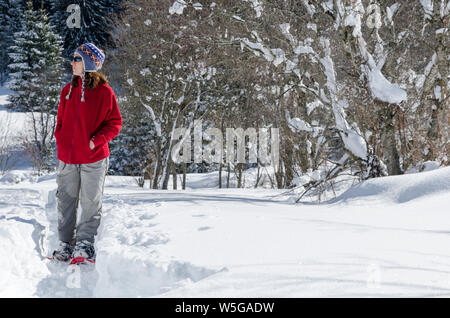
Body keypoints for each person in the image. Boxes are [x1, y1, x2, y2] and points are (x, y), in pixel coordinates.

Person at [52, 43, 122, 262]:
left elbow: (115, 123)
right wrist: (61, 141)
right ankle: (65, 243)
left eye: (77, 59)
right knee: (66, 201)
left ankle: (84, 244)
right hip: (68, 159)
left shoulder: (104, 92)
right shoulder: (67, 90)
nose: (72, 63)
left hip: (94, 158)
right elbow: (61, 121)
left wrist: (95, 141)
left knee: (90, 201)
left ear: (89, 64)